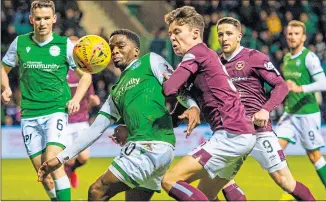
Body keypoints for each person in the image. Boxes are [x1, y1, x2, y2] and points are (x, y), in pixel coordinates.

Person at [36, 29, 199, 201]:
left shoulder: (150, 61)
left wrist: (193, 106)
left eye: (120, 46)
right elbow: (95, 130)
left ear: (136, 50)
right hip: (156, 149)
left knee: (97, 191)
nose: (114, 50)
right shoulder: (115, 91)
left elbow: (178, 86)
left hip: (148, 147)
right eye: (111, 47)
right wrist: (61, 158)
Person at [196, 17, 315, 201]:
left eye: (229, 34)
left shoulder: (253, 57)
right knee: (211, 185)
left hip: (258, 130)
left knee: (284, 181)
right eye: (220, 34)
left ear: (239, 36)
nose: (224, 38)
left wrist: (266, 109)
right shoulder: (216, 65)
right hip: (231, 133)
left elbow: (281, 86)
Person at [161, 6, 256, 201]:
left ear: (196, 33)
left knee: (170, 180)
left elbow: (169, 89)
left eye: (177, 31)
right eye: (170, 33)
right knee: (206, 194)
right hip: (242, 132)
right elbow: (178, 110)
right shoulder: (207, 55)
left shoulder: (194, 54)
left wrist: (166, 79)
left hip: (229, 133)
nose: (172, 37)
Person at [1, 1, 92, 201]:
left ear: (54, 19)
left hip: (55, 111)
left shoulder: (64, 45)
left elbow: (86, 76)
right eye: (38, 19)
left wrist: (76, 99)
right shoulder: (20, 43)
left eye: (46, 18)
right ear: (32, 20)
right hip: (29, 115)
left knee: (52, 160)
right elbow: (3, 68)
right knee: (44, 175)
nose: (42, 23)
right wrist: (6, 87)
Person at [276, 20, 326, 199]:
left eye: (297, 34)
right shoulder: (287, 58)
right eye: (290, 34)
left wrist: (301, 88)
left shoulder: (309, 57)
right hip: (290, 113)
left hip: (307, 113)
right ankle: (290, 188)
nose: (292, 37)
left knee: (314, 156)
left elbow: (323, 83)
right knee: (275, 151)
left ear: (303, 37)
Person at [65, 55, 100, 188]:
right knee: (68, 158)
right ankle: (65, 178)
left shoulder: (85, 73)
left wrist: (93, 99)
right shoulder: (61, 71)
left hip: (81, 121)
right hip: (65, 121)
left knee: (84, 157)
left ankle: (71, 169)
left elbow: (90, 95)